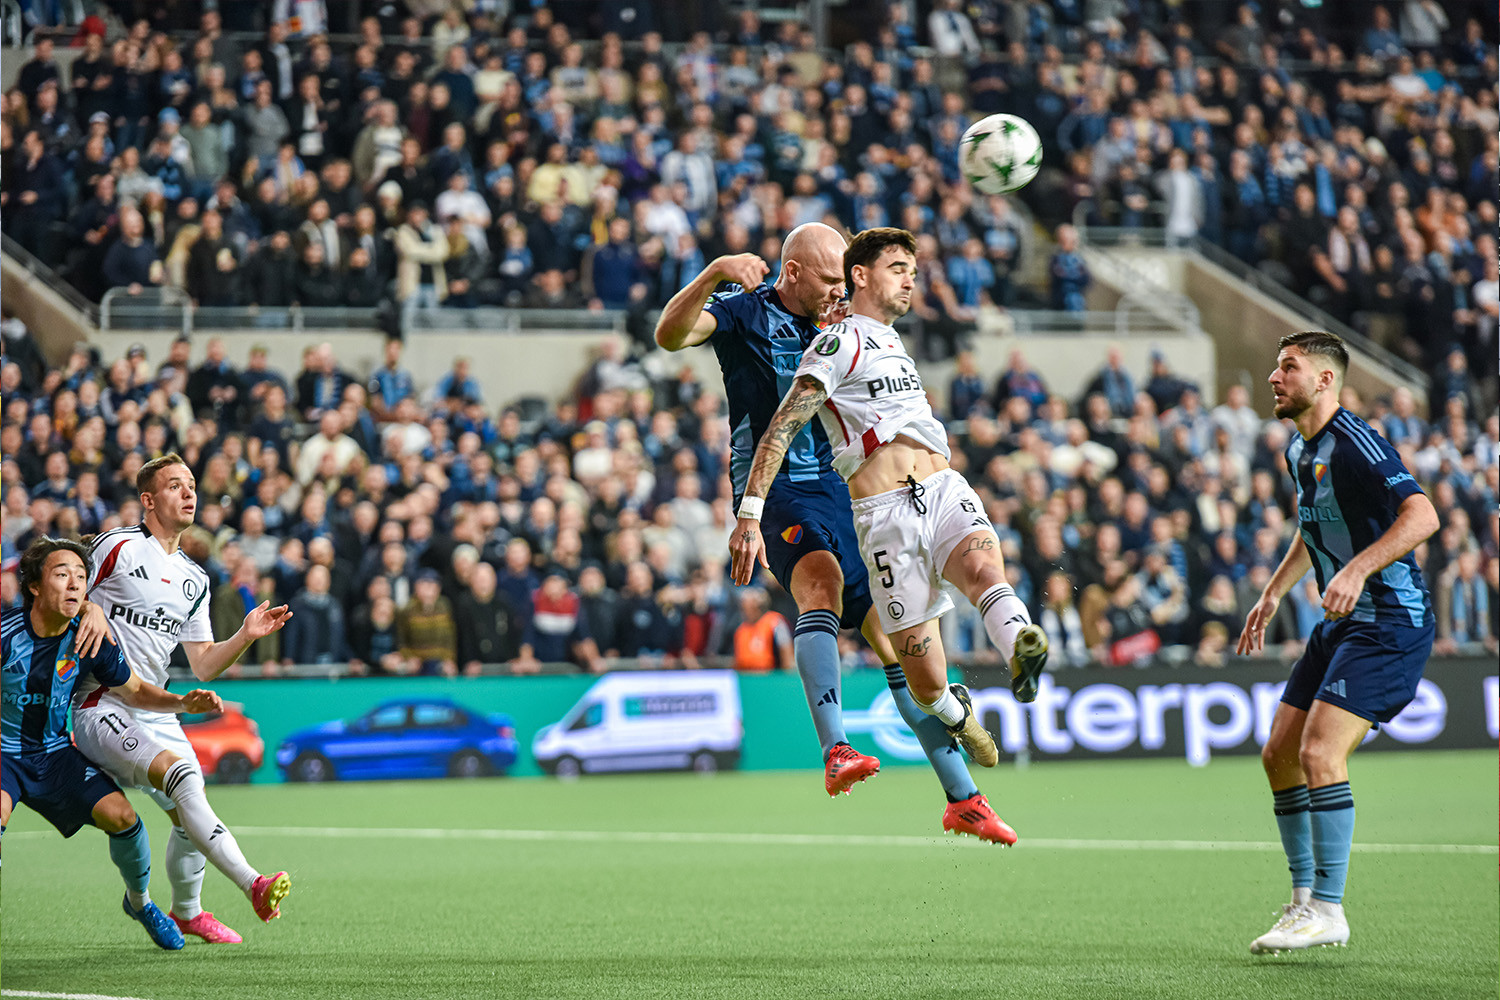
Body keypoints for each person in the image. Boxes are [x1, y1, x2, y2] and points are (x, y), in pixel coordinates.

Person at [655, 223, 1013, 844]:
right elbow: (669, 335)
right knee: (816, 582)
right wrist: (714, 271)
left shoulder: (846, 325)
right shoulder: (743, 314)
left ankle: (964, 799)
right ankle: (836, 748)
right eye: (827, 279)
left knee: (899, 643)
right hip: (779, 489)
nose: (838, 291)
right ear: (792, 274)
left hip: (853, 495)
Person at [1237, 331, 1439, 955]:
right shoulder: (1304, 449)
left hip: (1389, 622)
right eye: (1276, 367)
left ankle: (1328, 908)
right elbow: (1313, 524)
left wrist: (1355, 570)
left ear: (1325, 380)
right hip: (1340, 626)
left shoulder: (1356, 442)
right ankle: (1303, 904)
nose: (1274, 377)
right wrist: (1272, 592)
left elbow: (1423, 515)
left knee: (1321, 754)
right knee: (1279, 754)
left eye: (1288, 368)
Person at [73, 455, 293, 943]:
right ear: (148, 500)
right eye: (175, 485)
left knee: (191, 805)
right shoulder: (118, 547)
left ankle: (187, 912)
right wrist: (87, 604)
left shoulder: (195, 579)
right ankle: (254, 883)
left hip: (155, 705)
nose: (189, 493)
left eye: (192, 485)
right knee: (178, 780)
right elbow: (65, 590)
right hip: (100, 702)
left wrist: (246, 634)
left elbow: (205, 664)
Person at [3, 537, 224, 950]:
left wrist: (182, 703)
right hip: (3, 754)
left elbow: (135, 690)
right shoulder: (5, 636)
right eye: (62, 574)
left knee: (123, 816)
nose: (74, 584)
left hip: (52, 754)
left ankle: (140, 902)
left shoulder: (89, 638)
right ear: (34, 585)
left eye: (81, 577)